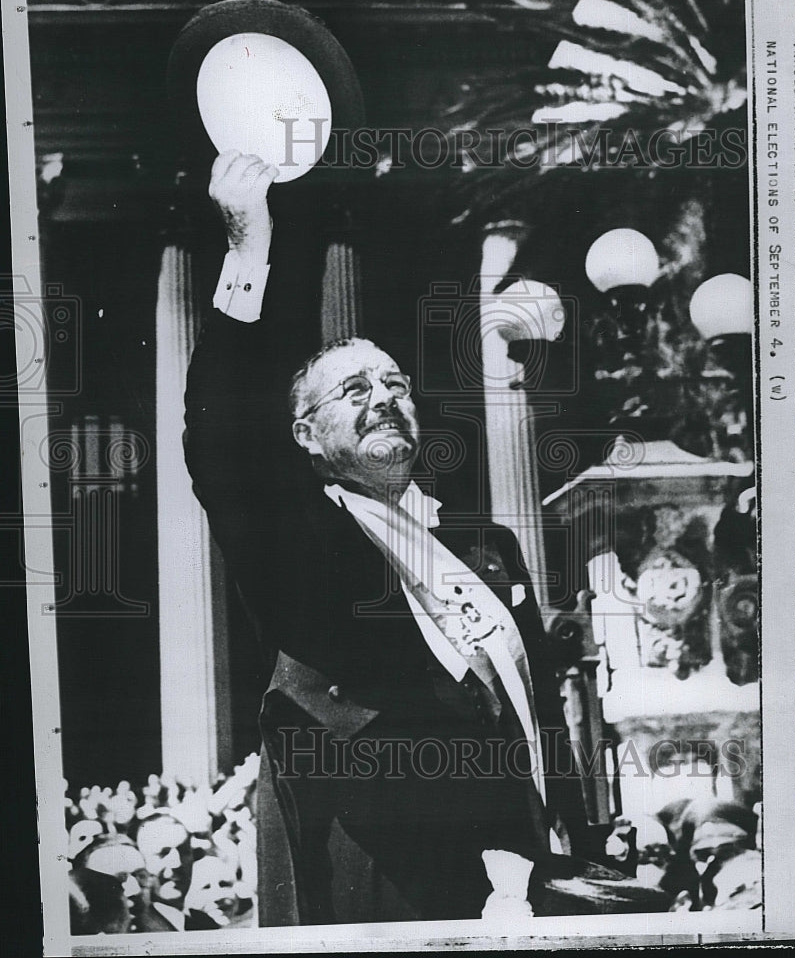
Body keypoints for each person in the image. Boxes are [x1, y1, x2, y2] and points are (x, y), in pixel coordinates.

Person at [184, 151, 590, 925]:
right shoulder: (299, 541)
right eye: (355, 389)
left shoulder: (487, 545)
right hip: (383, 882)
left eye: (396, 384)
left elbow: (533, 712)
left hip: (521, 874)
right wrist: (246, 249)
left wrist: (573, 833)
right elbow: (217, 440)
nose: (384, 399)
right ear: (304, 433)